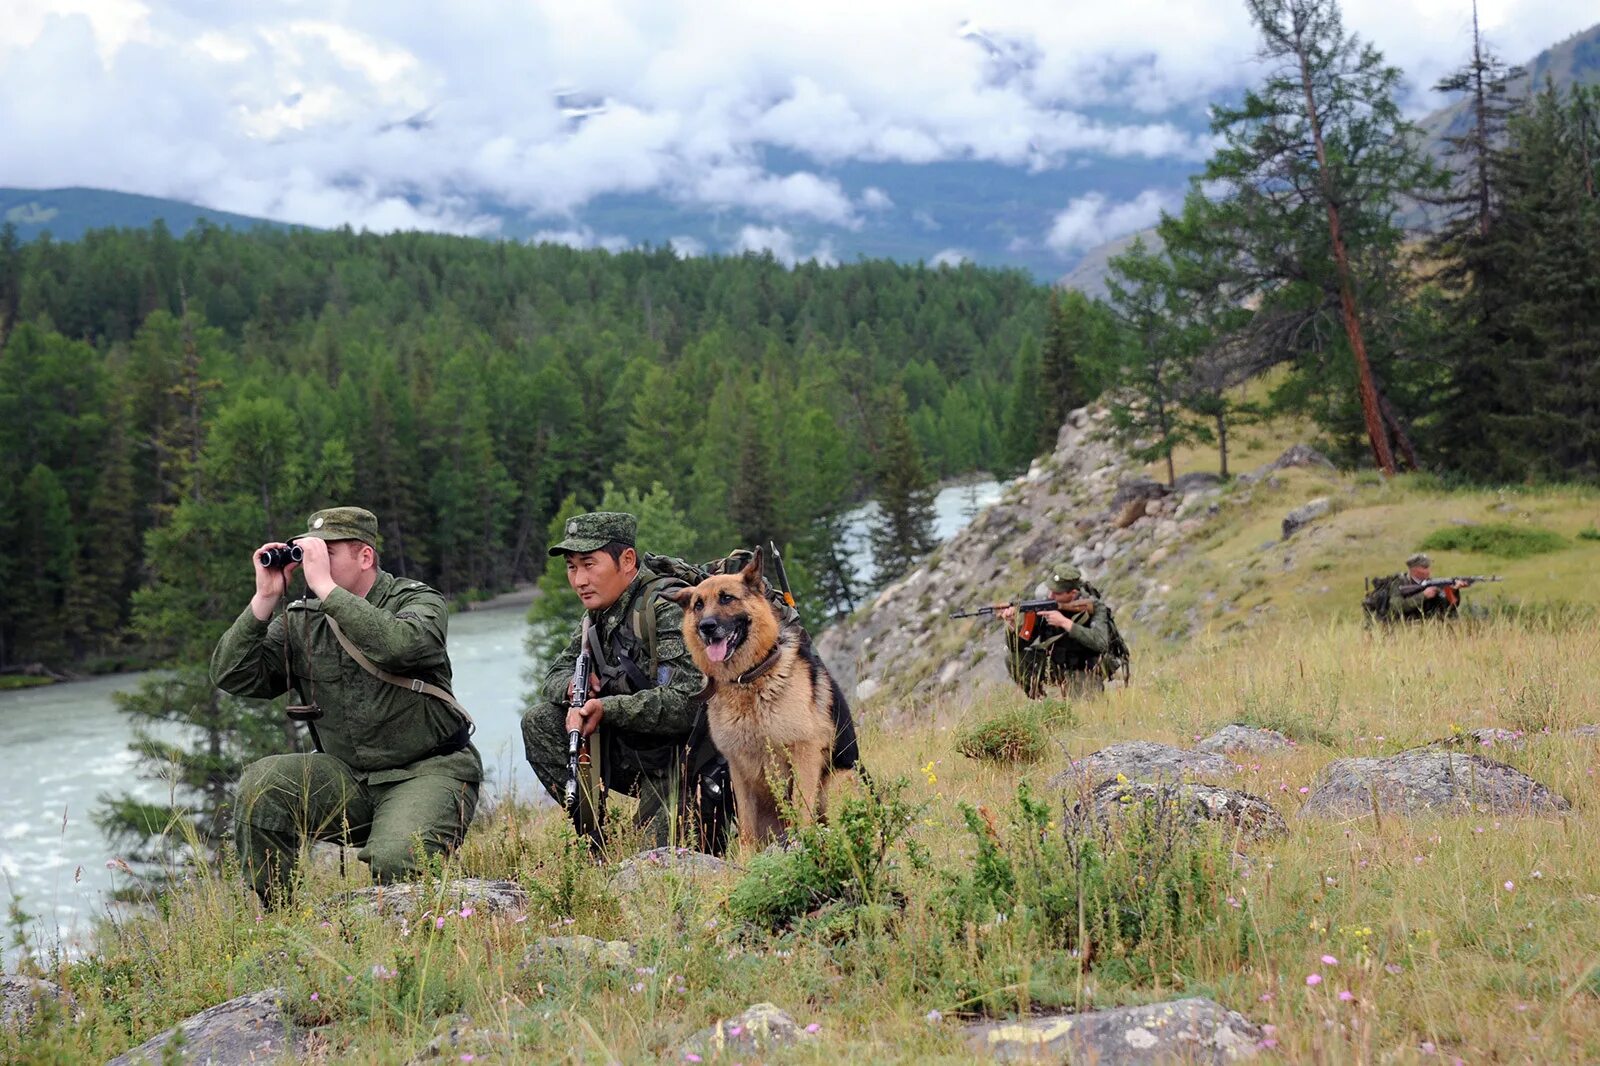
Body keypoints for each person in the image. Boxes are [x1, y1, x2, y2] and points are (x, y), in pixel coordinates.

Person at [212, 507, 480, 905]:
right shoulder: (303, 620)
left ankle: (411, 930)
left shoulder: (417, 600)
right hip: (350, 779)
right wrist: (264, 598)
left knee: (397, 861)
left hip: (427, 771)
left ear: (365, 556)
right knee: (260, 786)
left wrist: (327, 589)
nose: (313, 565)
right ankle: (283, 916)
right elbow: (233, 675)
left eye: (327, 552)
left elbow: (401, 646)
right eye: (310, 554)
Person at [521, 511, 704, 850]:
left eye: (589, 564)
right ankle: (594, 841)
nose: (579, 580)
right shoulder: (596, 616)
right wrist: (572, 687)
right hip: (636, 752)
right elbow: (553, 676)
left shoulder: (665, 608)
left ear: (627, 560)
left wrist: (607, 708)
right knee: (539, 721)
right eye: (572, 567)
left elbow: (686, 705)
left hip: (682, 761)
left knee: (657, 865)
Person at [998, 562, 1118, 699]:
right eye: (1050, 590)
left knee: (1085, 710)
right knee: (1013, 659)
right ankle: (1039, 700)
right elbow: (1018, 647)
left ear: (1073, 593)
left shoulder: (1094, 607)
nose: (1050, 596)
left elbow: (1101, 643)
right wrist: (1012, 625)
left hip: (1085, 668)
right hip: (1055, 664)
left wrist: (1065, 623)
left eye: (1057, 593)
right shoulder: (1046, 606)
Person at [1393, 552, 1466, 621]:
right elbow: (1396, 607)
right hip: (1407, 624)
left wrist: (1453, 590)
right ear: (1414, 569)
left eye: (1428, 567)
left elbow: (1450, 606)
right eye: (1425, 567)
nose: (1429, 570)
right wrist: (1423, 595)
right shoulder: (1399, 583)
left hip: (1430, 624)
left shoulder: (1431, 583)